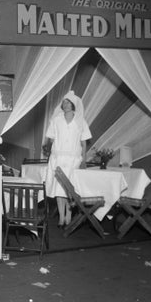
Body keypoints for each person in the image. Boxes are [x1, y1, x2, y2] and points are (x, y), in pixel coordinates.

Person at [43, 91, 91, 227]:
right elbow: (51, 139)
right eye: (64, 102)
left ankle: (69, 215)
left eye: (68, 102)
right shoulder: (56, 120)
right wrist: (48, 149)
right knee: (59, 188)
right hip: (58, 158)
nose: (66, 105)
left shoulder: (81, 121)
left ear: (74, 105)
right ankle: (61, 217)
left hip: (73, 159)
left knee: (69, 189)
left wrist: (84, 160)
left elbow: (84, 142)